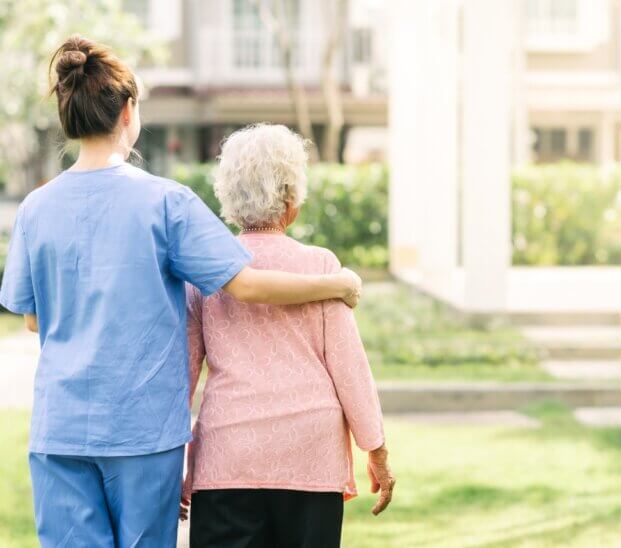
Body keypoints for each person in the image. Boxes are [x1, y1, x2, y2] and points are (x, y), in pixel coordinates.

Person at [0, 36, 362, 548]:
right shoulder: (166, 202)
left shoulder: (35, 208)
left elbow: (33, 320)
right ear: (129, 111)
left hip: (60, 430)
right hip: (142, 433)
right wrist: (335, 283)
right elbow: (246, 283)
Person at [181, 123, 395, 548]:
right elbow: (350, 369)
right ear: (291, 200)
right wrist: (377, 452)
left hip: (228, 456)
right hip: (310, 457)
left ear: (228, 197)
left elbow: (180, 378)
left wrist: (171, 465)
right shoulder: (320, 267)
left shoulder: (206, 273)